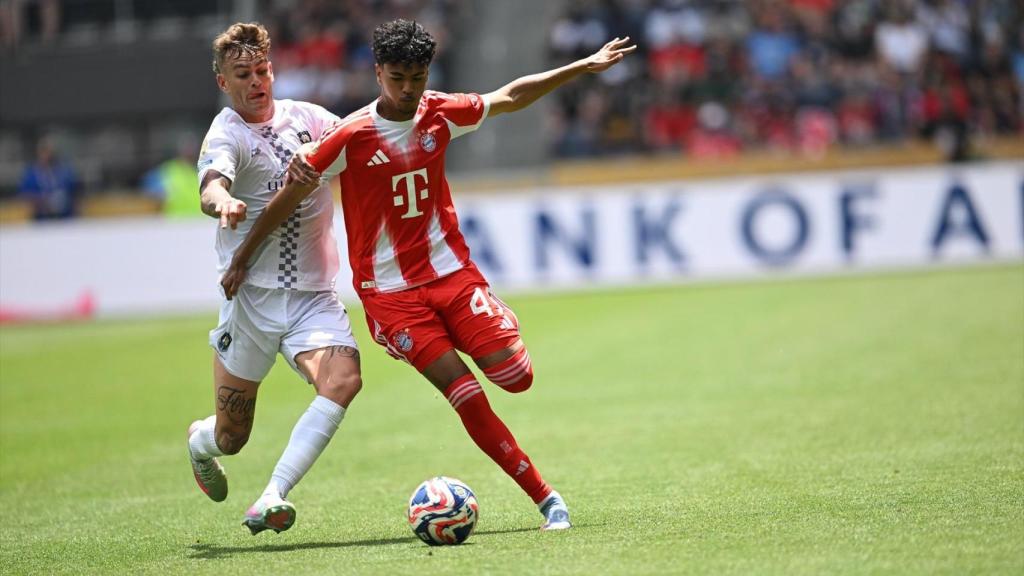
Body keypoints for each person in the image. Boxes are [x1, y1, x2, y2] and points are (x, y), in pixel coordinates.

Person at [222, 19, 635, 531]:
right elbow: (288, 197)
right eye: (398, 77)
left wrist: (581, 66)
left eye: (417, 76)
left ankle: (494, 319)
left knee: (517, 377)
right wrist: (243, 256)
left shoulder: (441, 111)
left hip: (452, 275)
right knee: (464, 393)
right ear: (378, 73)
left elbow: (509, 95)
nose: (409, 88)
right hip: (391, 297)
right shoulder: (349, 136)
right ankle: (547, 498)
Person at [186, 22, 363, 536]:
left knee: (343, 380)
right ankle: (199, 441)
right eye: (243, 73)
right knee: (231, 437)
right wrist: (225, 202)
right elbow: (210, 187)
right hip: (252, 303)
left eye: (263, 69)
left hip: (314, 296)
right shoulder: (227, 133)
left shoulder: (309, 118)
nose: (257, 81)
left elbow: (361, 135)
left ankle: (272, 494)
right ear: (224, 82)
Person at [18, 135, 79, 221]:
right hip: (42, 220)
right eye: (44, 151)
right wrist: (44, 201)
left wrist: (65, 201)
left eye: (49, 151)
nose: (46, 155)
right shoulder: (31, 174)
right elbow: (25, 196)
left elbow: (75, 192)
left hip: (65, 218)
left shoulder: (64, 170)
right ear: (39, 153)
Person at [141, 135, 202, 217]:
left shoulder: (203, 170)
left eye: (192, 149)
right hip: (174, 224)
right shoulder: (169, 170)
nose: (190, 152)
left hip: (200, 224)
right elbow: (146, 185)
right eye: (187, 149)